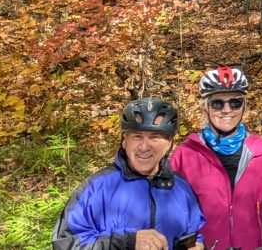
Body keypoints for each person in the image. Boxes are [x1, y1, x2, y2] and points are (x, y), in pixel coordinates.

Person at [53, 97, 205, 250]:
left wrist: (197, 245)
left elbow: (194, 234)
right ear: (125, 140)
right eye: (137, 136)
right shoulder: (97, 187)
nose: (144, 147)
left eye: (154, 137)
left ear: (169, 142)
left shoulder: (182, 189)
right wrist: (126, 242)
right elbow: (65, 243)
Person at [170, 66, 262, 250]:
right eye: (217, 104)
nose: (227, 110)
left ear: (244, 106)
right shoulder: (185, 155)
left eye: (235, 103)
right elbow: (172, 215)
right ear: (205, 108)